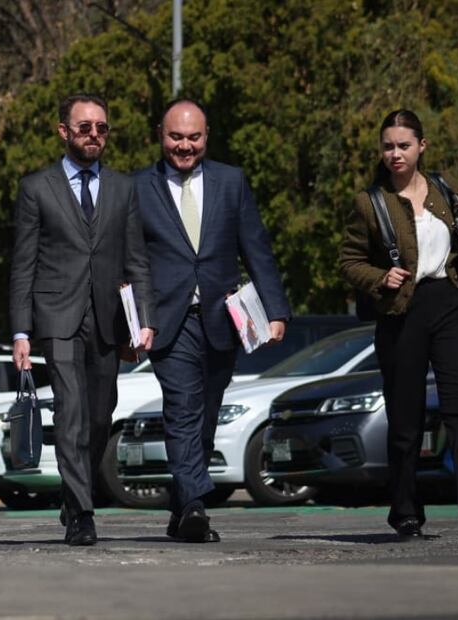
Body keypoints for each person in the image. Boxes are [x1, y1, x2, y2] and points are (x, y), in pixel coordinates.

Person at [340, 109, 458, 540]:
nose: (395, 153)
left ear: (421, 147)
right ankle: (405, 510)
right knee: (406, 418)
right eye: (388, 146)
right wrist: (379, 278)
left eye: (404, 145)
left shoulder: (443, 188)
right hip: (400, 311)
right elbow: (349, 261)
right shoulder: (370, 201)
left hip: (448, 303)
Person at [133, 99, 289, 542]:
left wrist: (276, 311)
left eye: (194, 137)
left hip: (223, 319)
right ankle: (198, 504)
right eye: (175, 137)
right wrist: (130, 320)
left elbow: (255, 246)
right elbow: (129, 259)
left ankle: (182, 508)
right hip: (168, 319)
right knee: (182, 409)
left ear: (207, 137)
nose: (185, 146)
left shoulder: (231, 181)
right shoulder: (137, 187)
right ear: (160, 135)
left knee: (205, 417)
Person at [9, 94, 155, 546]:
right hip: (57, 316)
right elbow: (23, 264)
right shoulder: (37, 188)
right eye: (85, 127)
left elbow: (137, 260)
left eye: (102, 128)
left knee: (98, 416)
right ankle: (83, 514)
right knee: (70, 412)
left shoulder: (123, 188)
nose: (94, 135)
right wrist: (21, 330)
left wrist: (142, 319)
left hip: (108, 319)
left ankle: (74, 498)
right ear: (64, 131)